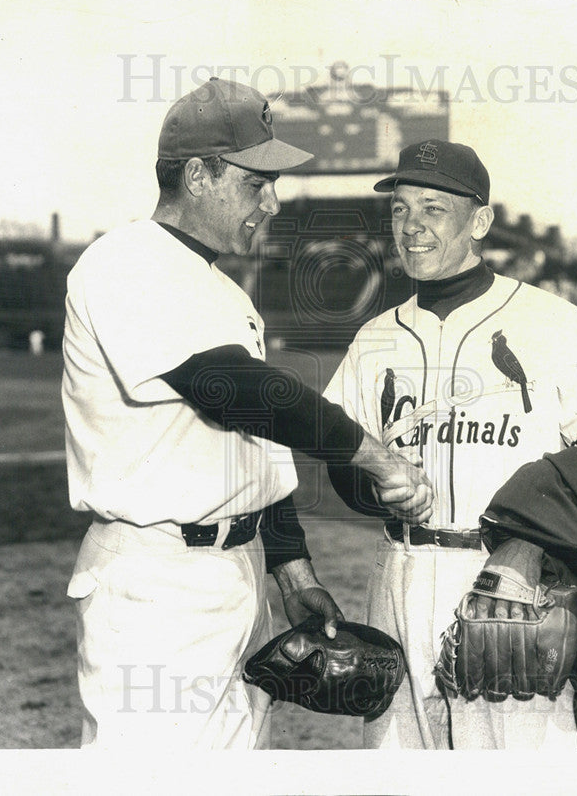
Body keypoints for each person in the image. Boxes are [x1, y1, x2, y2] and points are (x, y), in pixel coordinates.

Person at [61, 78, 433, 751]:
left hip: (239, 573)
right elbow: (230, 388)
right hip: (156, 581)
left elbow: (249, 446)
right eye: (256, 182)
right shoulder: (124, 261)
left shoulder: (224, 289)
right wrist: (371, 454)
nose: (273, 201)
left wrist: (292, 567)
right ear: (199, 174)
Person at [323, 139, 577, 749]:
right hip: (399, 575)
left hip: (510, 582)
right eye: (399, 209)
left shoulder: (549, 320)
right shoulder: (373, 338)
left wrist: (526, 547)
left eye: (432, 208)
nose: (411, 226)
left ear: (480, 221)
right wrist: (377, 490)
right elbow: (346, 466)